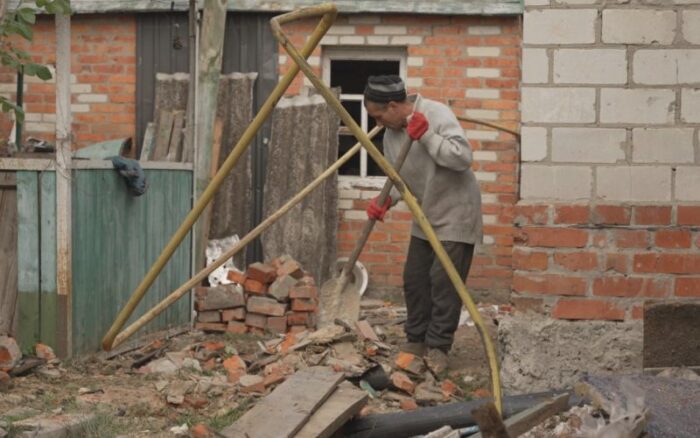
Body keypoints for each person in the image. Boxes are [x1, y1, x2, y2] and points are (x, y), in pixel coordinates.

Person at [363, 75, 483, 375]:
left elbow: (462, 158)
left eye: (379, 115)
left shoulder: (436, 113)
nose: (377, 122)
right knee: (415, 279)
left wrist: (428, 136)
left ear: (392, 105)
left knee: (443, 283)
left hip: (457, 213)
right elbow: (399, 177)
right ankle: (415, 340)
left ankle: (439, 347)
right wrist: (385, 200)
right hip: (426, 215)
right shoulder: (391, 136)